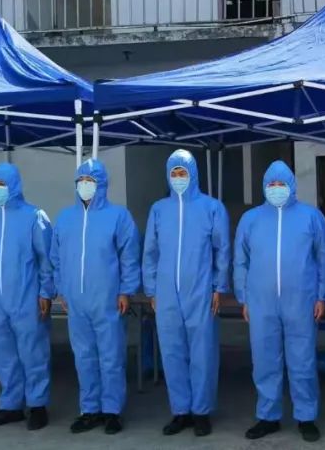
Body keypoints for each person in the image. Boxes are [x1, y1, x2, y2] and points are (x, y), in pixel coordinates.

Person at [235, 160, 325, 442]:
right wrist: (244, 297)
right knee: (264, 360)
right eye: (272, 184)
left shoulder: (311, 217)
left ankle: (306, 417)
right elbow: (240, 261)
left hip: (301, 301)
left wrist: (322, 295)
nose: (277, 189)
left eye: (282, 184)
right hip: (261, 302)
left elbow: (324, 259)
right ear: (265, 186)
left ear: (292, 185)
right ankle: (268, 416)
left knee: (302, 360)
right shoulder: (250, 219)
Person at [143, 149, 232, 438]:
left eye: (183, 172)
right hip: (167, 292)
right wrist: (151, 288)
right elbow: (150, 252)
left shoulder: (211, 208)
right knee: (172, 351)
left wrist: (219, 286)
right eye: (174, 173)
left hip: (201, 290)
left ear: (193, 174)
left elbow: (222, 251)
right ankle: (181, 411)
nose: (179, 178)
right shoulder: (159, 210)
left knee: (202, 352)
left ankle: (202, 411)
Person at [52, 158, 141, 435]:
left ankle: (112, 410)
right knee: (84, 356)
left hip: (108, 298)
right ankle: (89, 409)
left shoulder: (118, 216)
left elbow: (129, 256)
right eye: (81, 180)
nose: (85, 185)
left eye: (90, 180)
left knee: (111, 356)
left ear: (101, 184)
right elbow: (56, 258)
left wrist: (126, 290)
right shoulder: (65, 218)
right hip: (76, 300)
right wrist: (61, 289)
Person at [0, 162, 54, 431]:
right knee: (2, 352)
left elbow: (46, 258)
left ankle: (38, 405)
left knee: (33, 350)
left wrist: (46, 291)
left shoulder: (34, 216)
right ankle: (11, 406)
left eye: (2, 184)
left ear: (14, 185)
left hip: (26, 296)